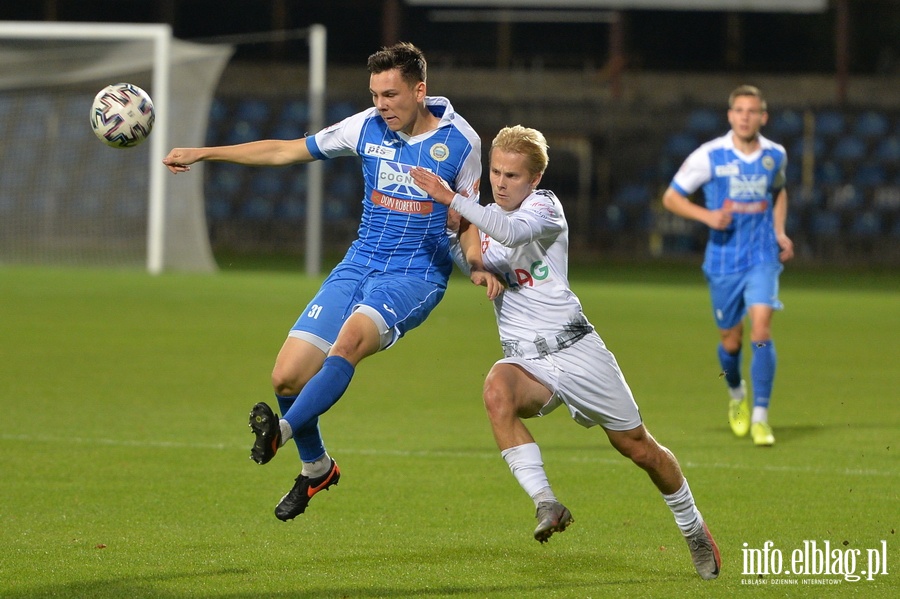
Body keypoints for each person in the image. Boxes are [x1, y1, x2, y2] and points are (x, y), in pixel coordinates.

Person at [163, 42, 482, 521]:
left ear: (420, 90)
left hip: (414, 274)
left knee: (348, 342)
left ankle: (282, 435)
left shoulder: (463, 143)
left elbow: (470, 217)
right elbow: (285, 150)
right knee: (286, 376)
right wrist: (204, 152)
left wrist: (476, 262)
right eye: (375, 94)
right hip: (358, 263)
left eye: (391, 95)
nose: (381, 105)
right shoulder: (365, 126)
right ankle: (317, 470)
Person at [410, 125, 721, 580]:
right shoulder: (483, 216)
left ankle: (693, 528)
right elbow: (470, 248)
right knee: (497, 392)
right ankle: (546, 502)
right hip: (527, 360)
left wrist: (450, 198)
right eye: (495, 171)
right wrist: (475, 267)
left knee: (638, 448)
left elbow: (511, 232)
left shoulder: (543, 207)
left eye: (512, 175)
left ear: (534, 179)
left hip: (576, 349)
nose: (500, 182)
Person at [661, 85, 793, 447]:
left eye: (753, 111)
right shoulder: (710, 156)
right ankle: (737, 394)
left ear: (762, 117)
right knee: (730, 342)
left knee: (761, 329)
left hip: (762, 256)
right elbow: (671, 197)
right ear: (730, 115)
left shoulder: (775, 155)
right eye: (739, 110)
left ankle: (762, 418)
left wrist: (780, 232)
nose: (746, 116)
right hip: (723, 260)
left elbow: (779, 191)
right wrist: (707, 215)